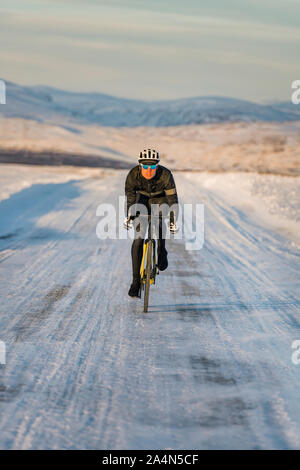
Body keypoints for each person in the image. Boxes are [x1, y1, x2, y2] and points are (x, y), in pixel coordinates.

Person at [124, 149, 178, 297]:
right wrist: (129, 215)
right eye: (146, 167)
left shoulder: (166, 175)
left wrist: (173, 220)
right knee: (138, 239)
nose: (149, 171)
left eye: (152, 167)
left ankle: (162, 250)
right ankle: (135, 281)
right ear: (140, 166)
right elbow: (130, 196)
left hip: (160, 200)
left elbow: (173, 200)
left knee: (159, 222)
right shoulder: (133, 175)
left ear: (157, 167)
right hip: (140, 200)